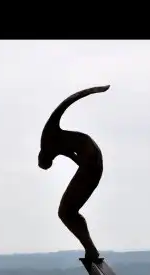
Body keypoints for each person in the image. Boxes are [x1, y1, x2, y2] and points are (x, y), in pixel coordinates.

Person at [38, 85, 110, 261]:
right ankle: (90, 249)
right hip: (92, 161)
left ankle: (91, 249)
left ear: (44, 156)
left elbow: (65, 105)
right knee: (68, 212)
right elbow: (69, 153)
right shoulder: (54, 144)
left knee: (66, 212)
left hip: (91, 161)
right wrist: (79, 163)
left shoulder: (49, 140)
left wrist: (91, 91)